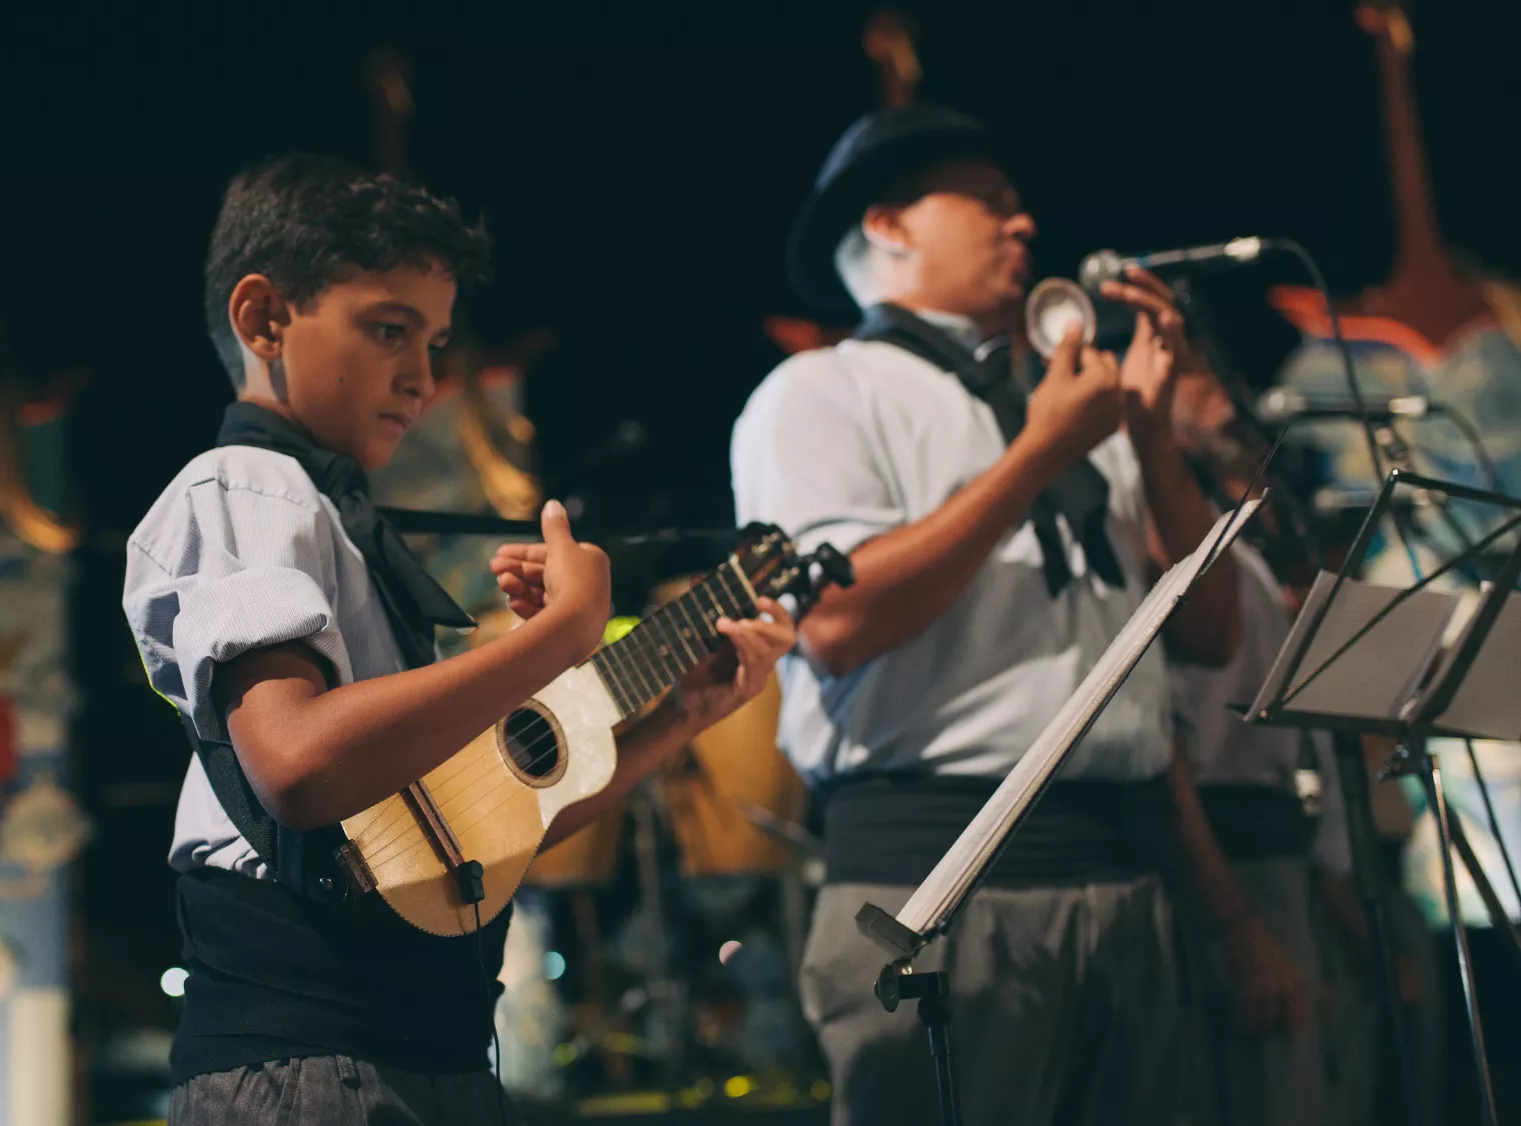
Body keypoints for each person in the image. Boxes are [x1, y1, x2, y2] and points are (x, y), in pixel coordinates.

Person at [122, 154, 796, 1126]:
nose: (424, 378)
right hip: (314, 1062)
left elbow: (476, 830)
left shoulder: (326, 516)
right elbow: (297, 764)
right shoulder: (246, 482)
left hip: (390, 1057)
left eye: (433, 340)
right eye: (388, 330)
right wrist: (556, 638)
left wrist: (675, 719)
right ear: (263, 318)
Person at [729, 105, 1241, 1126]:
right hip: (930, 886)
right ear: (887, 225)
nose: (1022, 226)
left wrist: (1140, 432)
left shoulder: (1072, 409)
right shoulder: (819, 390)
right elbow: (833, 623)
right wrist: (1040, 452)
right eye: (989, 205)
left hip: (1124, 879)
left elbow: (1206, 633)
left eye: (1020, 211)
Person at [1163, 362, 1349, 1126]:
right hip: (1223, 848)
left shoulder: (1251, 541)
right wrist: (1236, 922)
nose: (1224, 394)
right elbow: (1168, 738)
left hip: (1284, 848)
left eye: (1221, 376)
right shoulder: (1175, 539)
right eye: (1196, 380)